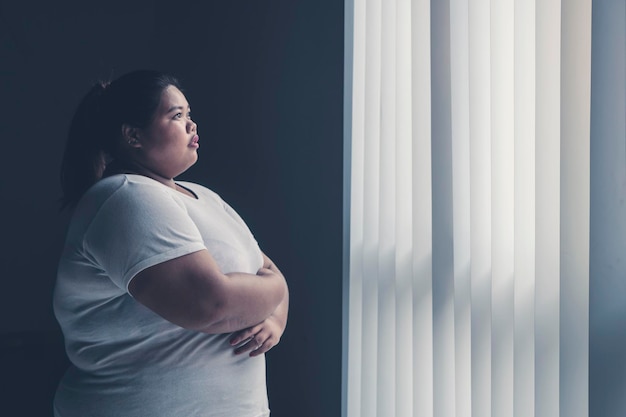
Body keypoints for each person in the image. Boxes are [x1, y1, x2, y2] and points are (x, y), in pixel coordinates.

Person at [53, 70, 289, 417]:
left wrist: (275, 320)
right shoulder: (124, 198)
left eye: (189, 114)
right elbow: (210, 304)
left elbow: (265, 269)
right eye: (177, 116)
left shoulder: (205, 198)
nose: (192, 125)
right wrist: (277, 290)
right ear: (133, 136)